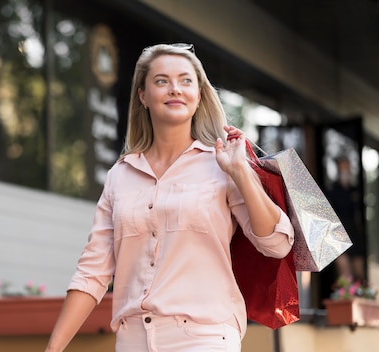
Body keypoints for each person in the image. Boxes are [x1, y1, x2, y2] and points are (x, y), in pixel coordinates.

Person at [44, 43, 294, 352]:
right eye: (161, 80)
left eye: (186, 80)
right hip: (132, 340)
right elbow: (92, 273)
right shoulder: (119, 177)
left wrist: (241, 173)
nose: (175, 88)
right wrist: (52, 349)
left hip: (205, 337)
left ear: (199, 95)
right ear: (143, 96)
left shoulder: (223, 165)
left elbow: (277, 243)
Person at [327, 156, 365, 283]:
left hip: (355, 235)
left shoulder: (356, 191)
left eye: (347, 169)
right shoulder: (333, 191)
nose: (346, 172)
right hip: (339, 236)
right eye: (343, 169)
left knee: (359, 275)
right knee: (345, 276)